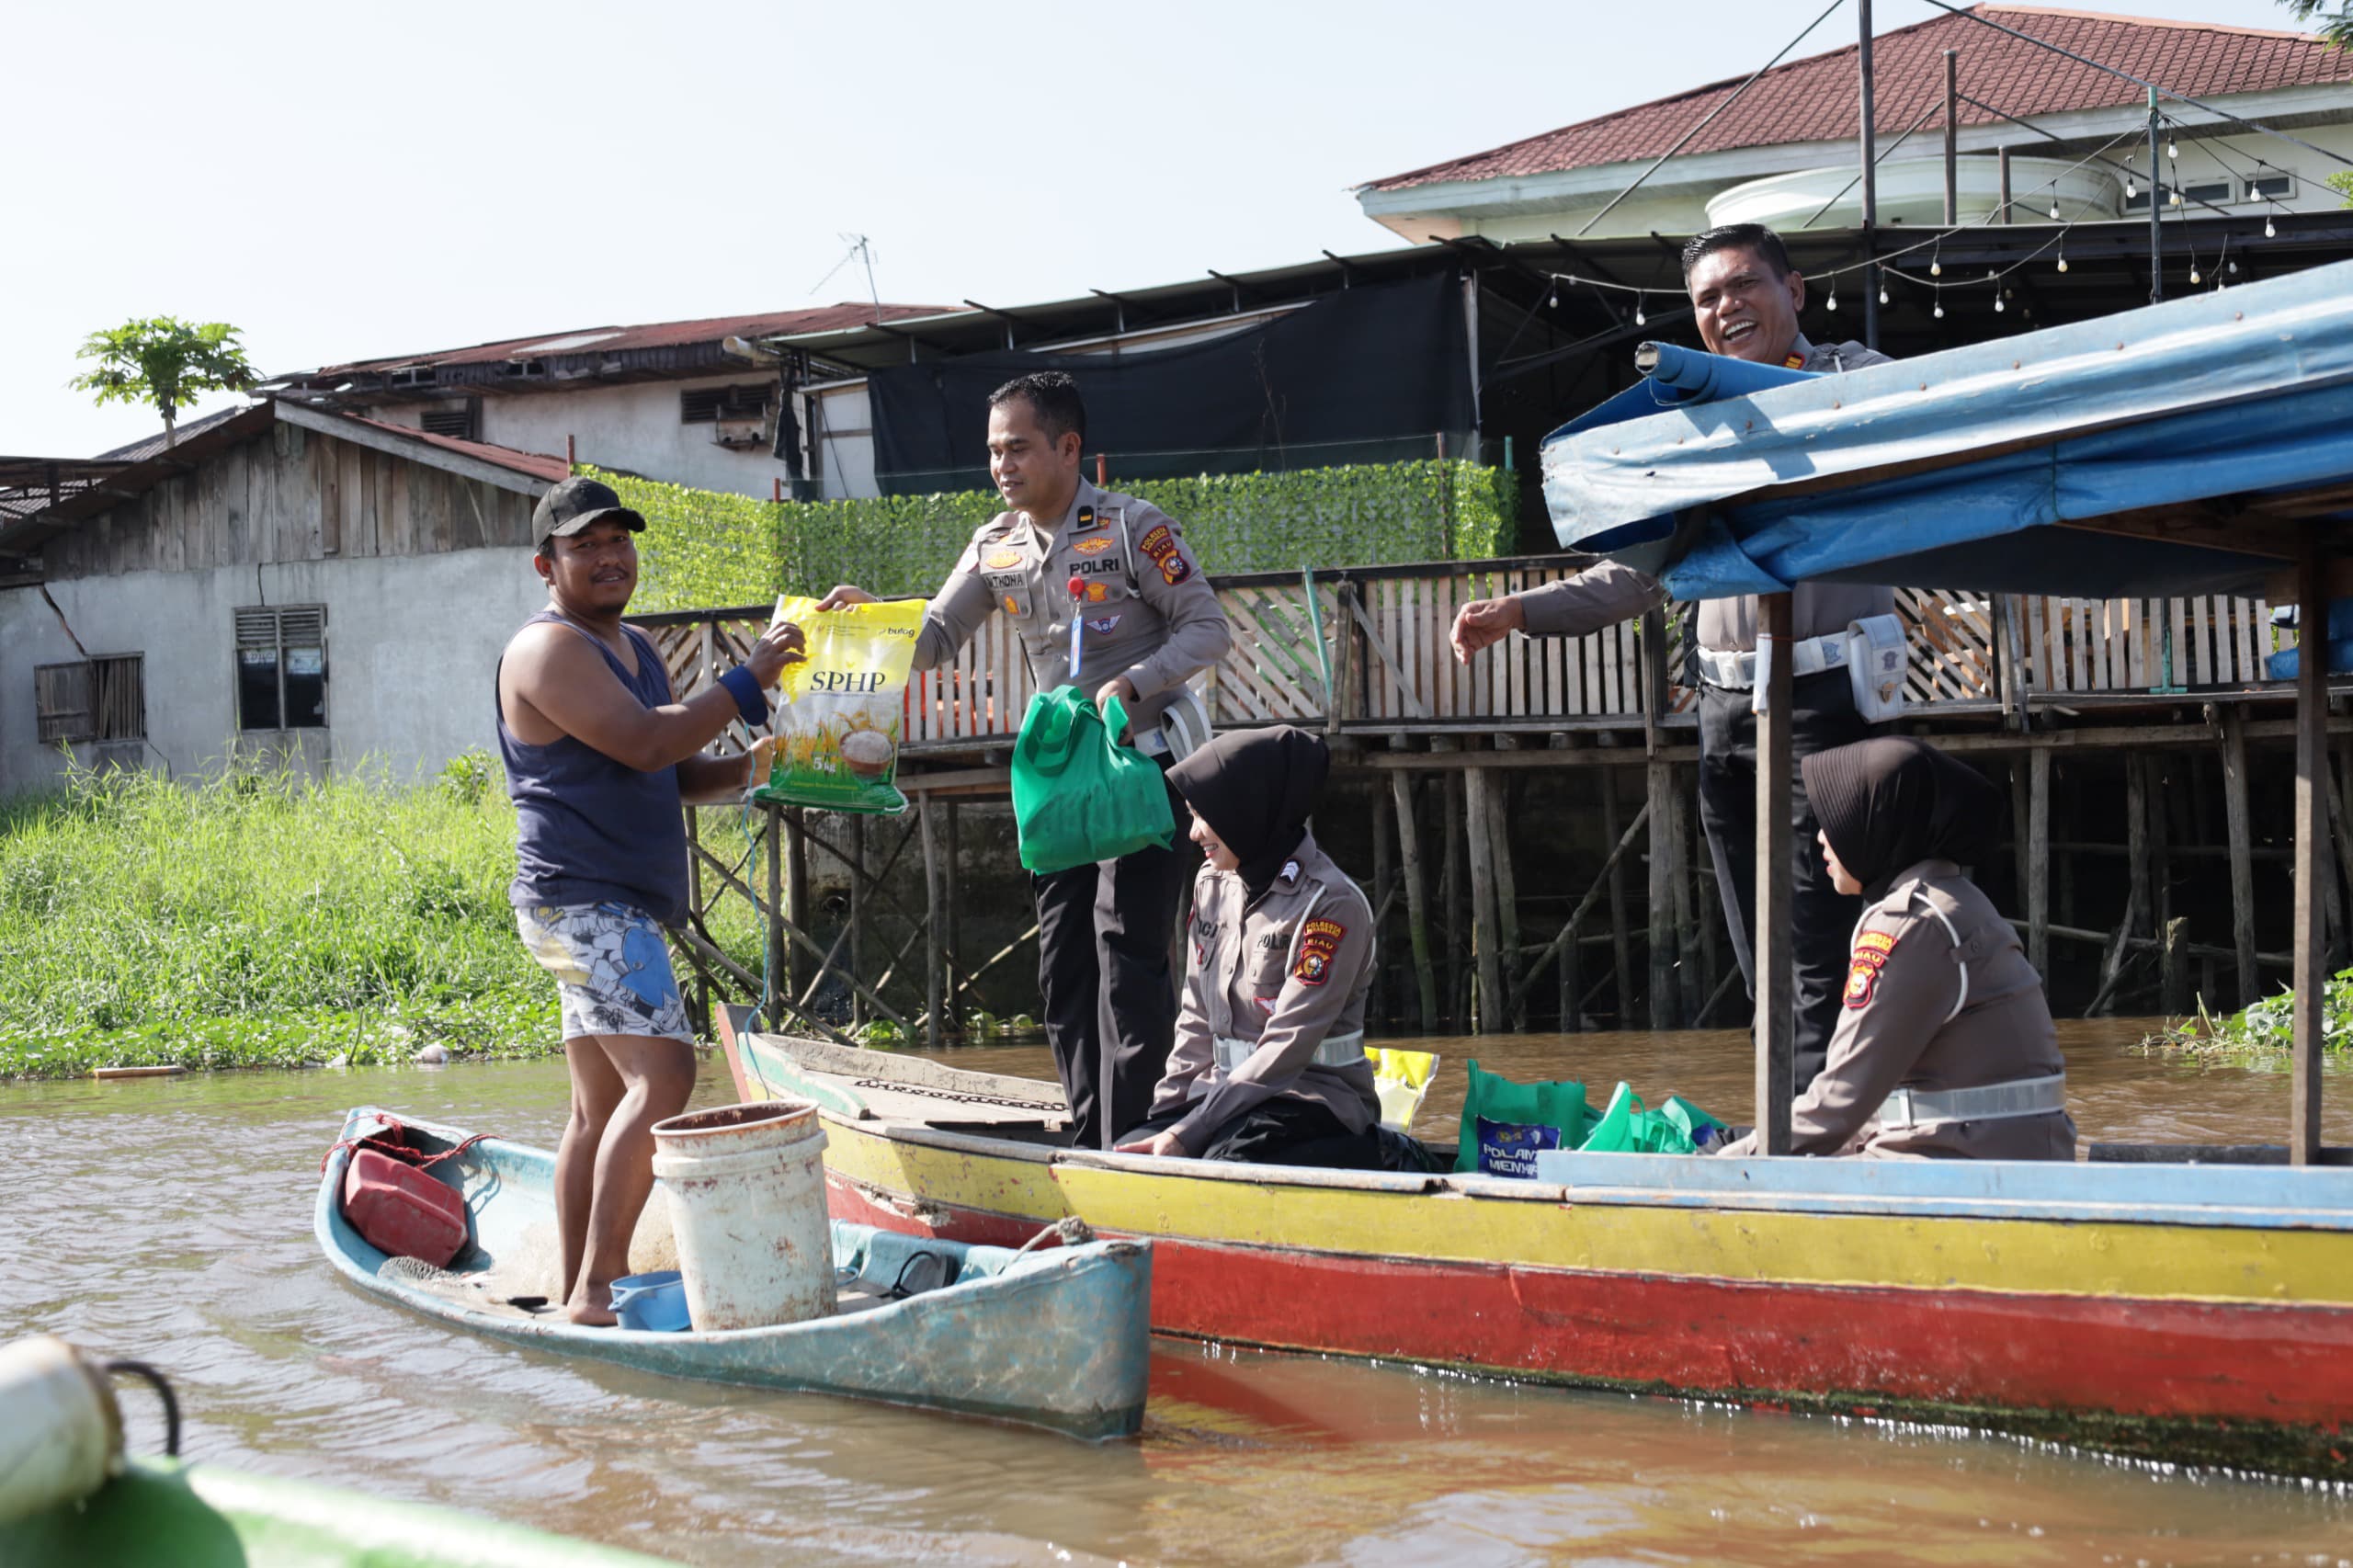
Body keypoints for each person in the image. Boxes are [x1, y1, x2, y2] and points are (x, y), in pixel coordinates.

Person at [1450, 222, 1895, 1092]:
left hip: (1828, 701)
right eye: (1708, 298)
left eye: (1745, 285)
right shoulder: (1693, 426)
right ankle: (1786, 1115)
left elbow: (1905, 413)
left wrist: (1762, 403)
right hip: (1725, 712)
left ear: (1794, 291)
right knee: (1756, 943)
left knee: (1818, 939)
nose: (1727, 308)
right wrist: (1520, 610)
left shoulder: (1850, 377)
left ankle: (1815, 1132)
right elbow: (1637, 573)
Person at [819, 371, 1231, 1150]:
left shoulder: (1136, 528)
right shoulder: (996, 544)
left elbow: (1209, 629)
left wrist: (1135, 681)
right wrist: (873, 615)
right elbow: (935, 639)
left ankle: (1135, 1137)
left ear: (1068, 448)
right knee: (1063, 966)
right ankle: (1090, 1133)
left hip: (1140, 770)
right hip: (1058, 782)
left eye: (1017, 448)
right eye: (993, 451)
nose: (1002, 465)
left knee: (1129, 959)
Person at [496, 475, 804, 1324]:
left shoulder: (633, 647)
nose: (609, 557)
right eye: (585, 546)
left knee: (598, 1108)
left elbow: (675, 771)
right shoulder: (547, 650)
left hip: (594, 905)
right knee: (665, 1075)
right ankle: (601, 1288)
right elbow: (643, 742)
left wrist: (760, 766)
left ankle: (574, 1289)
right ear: (546, 565)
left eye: (619, 541)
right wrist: (747, 680)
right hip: (582, 902)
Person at [1717, 736, 2075, 1159]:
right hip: (2003, 1151)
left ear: (1877, 823)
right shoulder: (1957, 901)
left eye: (1838, 818)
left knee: (1734, 1154)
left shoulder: (1910, 924)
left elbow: (1837, 1105)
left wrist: (1725, 1164)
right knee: (1748, 1139)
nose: (1821, 838)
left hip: (1967, 1165)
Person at [1114, 727, 1383, 1168]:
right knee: (1130, 1151)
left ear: (1245, 809)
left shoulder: (1332, 905)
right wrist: (1166, 1116)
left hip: (1311, 1101)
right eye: (1191, 816)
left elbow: (1288, 1045)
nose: (1194, 834)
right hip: (1221, 1097)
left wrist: (1191, 1131)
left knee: (1227, 1161)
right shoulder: (1212, 884)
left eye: (1204, 817)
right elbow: (1196, 1018)